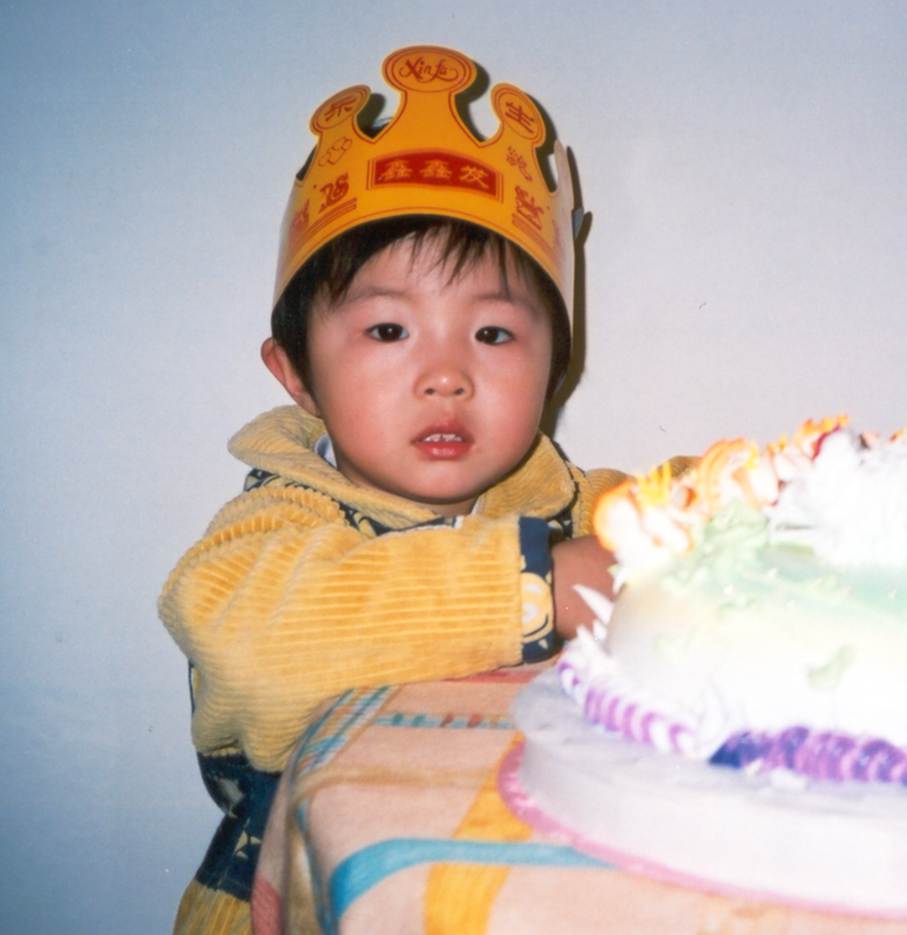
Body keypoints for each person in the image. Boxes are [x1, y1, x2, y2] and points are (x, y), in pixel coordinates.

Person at [158, 44, 628, 934]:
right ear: (296, 372)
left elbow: (698, 535)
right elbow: (259, 654)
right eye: (387, 330)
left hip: (508, 896)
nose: (446, 374)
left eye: (493, 334)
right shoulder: (273, 527)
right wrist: (544, 583)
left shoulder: (582, 506)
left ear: (553, 369)